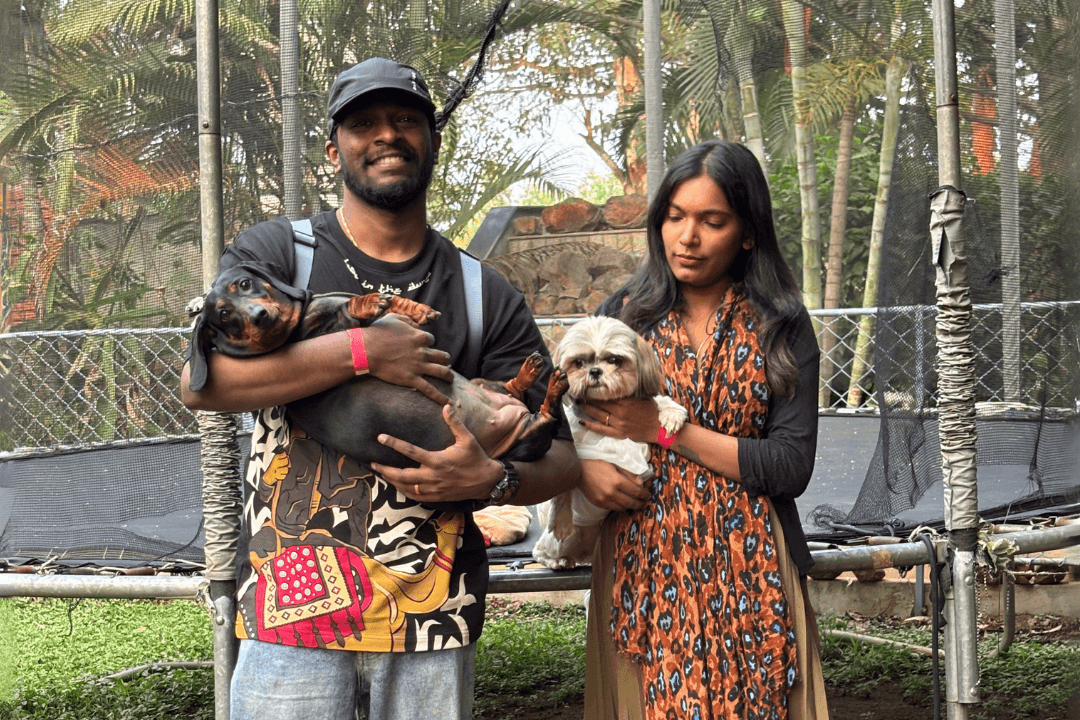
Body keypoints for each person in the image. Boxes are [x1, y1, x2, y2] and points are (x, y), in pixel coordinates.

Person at [180, 57, 579, 720]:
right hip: (292, 618)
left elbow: (563, 459)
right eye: (364, 123)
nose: (386, 135)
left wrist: (493, 479)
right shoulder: (279, 255)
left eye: (404, 120)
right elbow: (206, 384)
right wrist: (362, 350)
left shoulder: (482, 291)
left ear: (433, 140)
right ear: (334, 149)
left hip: (431, 622)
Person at [576, 139, 828, 720]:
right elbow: (571, 419)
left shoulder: (780, 325)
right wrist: (587, 470)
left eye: (712, 222)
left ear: (747, 232)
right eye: (675, 217)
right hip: (643, 555)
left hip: (754, 558)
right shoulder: (625, 316)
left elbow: (790, 467)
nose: (687, 237)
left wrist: (665, 430)